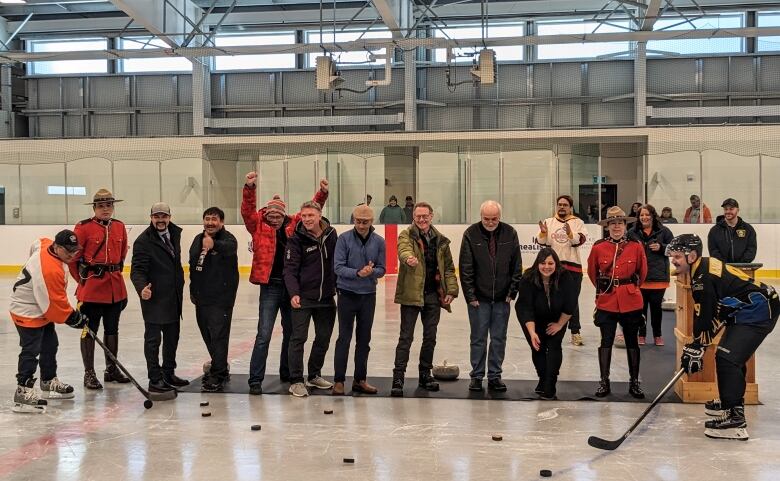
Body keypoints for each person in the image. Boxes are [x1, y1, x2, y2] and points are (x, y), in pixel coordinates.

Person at [668, 234, 778, 440]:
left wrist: (696, 346)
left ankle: (735, 419)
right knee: (730, 355)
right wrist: (697, 345)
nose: (673, 261)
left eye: (677, 256)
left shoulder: (702, 278)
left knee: (728, 358)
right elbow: (707, 310)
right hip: (748, 308)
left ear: (691, 256)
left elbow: (706, 316)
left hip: (760, 310)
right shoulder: (702, 267)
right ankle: (731, 401)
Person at [242, 171, 329, 395]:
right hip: (269, 286)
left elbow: (312, 211)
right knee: (264, 334)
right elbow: (247, 210)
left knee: (291, 333)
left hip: (292, 287)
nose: (274, 217)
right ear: (266, 213)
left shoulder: (293, 225)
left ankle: (287, 372)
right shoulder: (257, 225)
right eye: (270, 214)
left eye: (277, 214)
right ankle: (255, 379)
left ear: (283, 214)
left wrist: (323, 192)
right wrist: (249, 188)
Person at [9, 230, 88, 413]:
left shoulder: (46, 245)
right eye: (68, 251)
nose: (72, 255)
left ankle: (48, 381)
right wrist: (74, 318)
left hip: (40, 306)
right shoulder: (49, 270)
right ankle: (23, 391)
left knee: (50, 344)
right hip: (26, 310)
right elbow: (55, 306)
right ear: (57, 247)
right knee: (31, 350)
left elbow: (37, 242)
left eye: (74, 250)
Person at [391, 202, 459, 397]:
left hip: (432, 296)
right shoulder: (406, 235)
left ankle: (425, 374)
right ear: (413, 216)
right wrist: (408, 258)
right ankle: (398, 378)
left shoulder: (441, 241)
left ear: (431, 216)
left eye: (425, 216)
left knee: (430, 337)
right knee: (406, 338)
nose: (421, 220)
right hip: (411, 295)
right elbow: (403, 249)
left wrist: (451, 291)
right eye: (418, 216)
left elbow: (448, 268)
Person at [460, 200, 522, 393]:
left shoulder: (510, 233)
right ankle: (477, 377)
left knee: (498, 339)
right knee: (478, 338)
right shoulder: (470, 234)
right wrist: (470, 296)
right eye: (486, 218)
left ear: (500, 217)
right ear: (481, 217)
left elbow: (516, 266)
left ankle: (495, 376)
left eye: (494, 218)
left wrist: (512, 292)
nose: (490, 222)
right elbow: (465, 268)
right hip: (479, 299)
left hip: (502, 299)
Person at [71, 188, 130, 390]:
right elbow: (73, 259)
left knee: (112, 330)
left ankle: (111, 370)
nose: (106, 209)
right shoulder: (83, 228)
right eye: (101, 206)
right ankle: (89, 373)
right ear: (94, 207)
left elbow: (122, 256)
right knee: (89, 331)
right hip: (92, 289)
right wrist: (81, 280)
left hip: (115, 288)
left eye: (109, 205)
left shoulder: (120, 227)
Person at [587, 206, 648, 399]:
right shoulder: (598, 247)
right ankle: (604, 382)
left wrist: (631, 288)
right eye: (612, 223)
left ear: (625, 225)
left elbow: (643, 272)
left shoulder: (635, 246)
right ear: (607, 227)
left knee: (632, 341)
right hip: (607, 300)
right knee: (606, 341)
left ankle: (634, 382)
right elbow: (592, 273)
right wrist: (606, 288)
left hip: (631, 300)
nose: (616, 227)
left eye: (620, 223)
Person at [130, 202, 188, 393]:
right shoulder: (143, 241)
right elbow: (137, 270)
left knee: (173, 338)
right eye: (157, 217)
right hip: (154, 297)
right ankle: (155, 379)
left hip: (173, 297)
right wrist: (141, 289)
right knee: (153, 340)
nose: (160, 220)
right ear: (151, 218)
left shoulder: (175, 233)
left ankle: (168, 373)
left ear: (169, 217)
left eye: (164, 216)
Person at [284, 200, 338, 398]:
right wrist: (294, 293)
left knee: (323, 337)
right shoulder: (296, 239)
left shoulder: (331, 235)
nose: (306, 219)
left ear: (319, 215)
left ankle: (314, 374)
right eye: (304, 215)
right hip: (304, 297)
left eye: (310, 216)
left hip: (326, 297)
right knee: (298, 338)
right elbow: (289, 270)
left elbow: (336, 263)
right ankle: (296, 380)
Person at [332, 204, 386, 395]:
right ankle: (339, 380)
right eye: (358, 222)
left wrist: (371, 272)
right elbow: (338, 267)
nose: (361, 226)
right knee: (344, 338)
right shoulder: (344, 239)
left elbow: (382, 269)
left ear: (372, 222)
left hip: (368, 296)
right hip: (346, 294)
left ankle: (360, 380)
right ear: (353, 220)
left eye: (365, 222)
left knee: (364, 340)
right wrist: (358, 272)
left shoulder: (379, 242)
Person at [189, 207, 239, 392]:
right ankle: (220, 366)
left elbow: (230, 248)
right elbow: (193, 265)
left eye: (214, 219)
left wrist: (214, 245)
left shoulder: (228, 239)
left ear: (222, 222)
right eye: (207, 219)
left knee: (219, 336)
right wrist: (192, 290)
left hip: (221, 299)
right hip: (201, 298)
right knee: (207, 335)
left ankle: (218, 374)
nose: (210, 222)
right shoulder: (197, 239)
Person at [516, 247, 577, 400]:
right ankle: (543, 379)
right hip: (533, 319)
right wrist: (532, 332)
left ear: (556, 264)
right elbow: (525, 307)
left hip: (558, 318)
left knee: (554, 345)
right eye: (543, 263)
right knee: (537, 347)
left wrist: (560, 325)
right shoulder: (528, 277)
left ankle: (550, 384)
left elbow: (571, 305)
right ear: (537, 264)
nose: (547, 267)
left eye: (550, 263)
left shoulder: (565, 277)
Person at [537, 195, 588, 346]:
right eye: (560, 204)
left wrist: (571, 234)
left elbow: (580, 240)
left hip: (572, 268)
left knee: (572, 301)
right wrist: (543, 233)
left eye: (565, 205)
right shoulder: (549, 222)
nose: (562, 207)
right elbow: (542, 242)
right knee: (551, 299)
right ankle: (551, 330)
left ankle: (575, 332)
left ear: (570, 207)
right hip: (552, 269)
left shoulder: (578, 222)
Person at [629, 204, 673, 346]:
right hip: (639, 278)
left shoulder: (664, 231)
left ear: (653, 216)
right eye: (642, 215)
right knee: (640, 309)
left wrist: (662, 248)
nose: (644, 217)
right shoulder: (632, 232)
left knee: (656, 309)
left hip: (658, 278)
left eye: (647, 214)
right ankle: (641, 335)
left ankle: (657, 335)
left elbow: (673, 250)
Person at [708, 198, 757, 264]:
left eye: (731, 209)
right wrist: (725, 265)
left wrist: (740, 264)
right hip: (722, 270)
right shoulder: (714, 230)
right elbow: (713, 251)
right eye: (726, 209)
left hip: (742, 269)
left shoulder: (748, 229)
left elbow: (751, 249)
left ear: (738, 210)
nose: (728, 211)